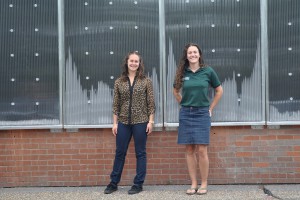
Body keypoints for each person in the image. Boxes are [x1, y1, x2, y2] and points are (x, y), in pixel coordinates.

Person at [173, 43, 223, 195]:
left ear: (199, 54)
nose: (192, 55)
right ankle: (193, 183)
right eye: (190, 52)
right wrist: (183, 102)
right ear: (186, 55)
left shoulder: (207, 71)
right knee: (189, 149)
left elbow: (219, 90)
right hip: (186, 114)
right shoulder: (182, 72)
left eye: (195, 52)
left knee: (202, 150)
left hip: (202, 114)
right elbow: (175, 90)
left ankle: (204, 183)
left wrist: (210, 108)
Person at [104, 51, 155, 195]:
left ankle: (138, 184)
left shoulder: (146, 81)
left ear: (140, 64)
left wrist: (151, 121)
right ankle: (113, 183)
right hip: (123, 122)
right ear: (127, 62)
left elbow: (151, 103)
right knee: (120, 152)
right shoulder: (119, 82)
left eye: (136, 61)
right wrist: (115, 124)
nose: (133, 63)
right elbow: (116, 104)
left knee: (140, 153)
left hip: (141, 121)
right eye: (131, 61)